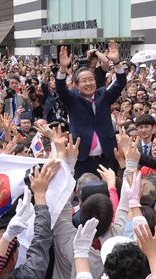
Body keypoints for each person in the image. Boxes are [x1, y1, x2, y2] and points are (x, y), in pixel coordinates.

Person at [55, 40, 126, 178]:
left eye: (91, 79)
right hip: (82, 159)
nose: (88, 83)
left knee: (109, 192)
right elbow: (61, 89)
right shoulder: (72, 98)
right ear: (76, 85)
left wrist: (117, 62)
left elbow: (121, 82)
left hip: (106, 157)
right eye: (84, 81)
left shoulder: (103, 95)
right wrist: (63, 69)